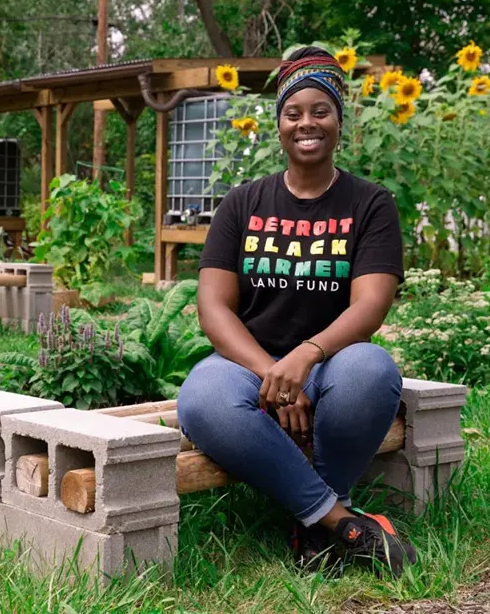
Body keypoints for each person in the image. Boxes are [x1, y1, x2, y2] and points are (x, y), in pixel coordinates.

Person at [177, 47, 416, 577]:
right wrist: (275, 374)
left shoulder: (370, 204)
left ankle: (316, 521)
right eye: (293, 112)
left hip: (332, 361)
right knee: (202, 399)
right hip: (247, 364)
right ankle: (336, 521)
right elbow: (213, 307)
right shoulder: (243, 203)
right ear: (280, 123)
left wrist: (307, 357)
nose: (306, 123)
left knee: (373, 371)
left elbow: (371, 303)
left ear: (338, 119)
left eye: (320, 110)